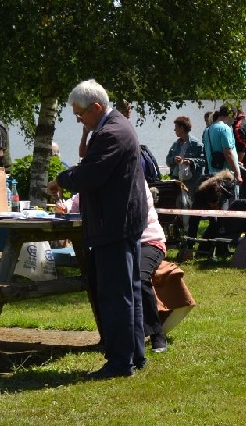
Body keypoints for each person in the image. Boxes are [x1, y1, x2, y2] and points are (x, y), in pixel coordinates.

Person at [47, 79, 149, 379]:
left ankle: (120, 362)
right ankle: (135, 356)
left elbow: (91, 174)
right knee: (127, 291)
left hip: (114, 223)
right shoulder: (115, 126)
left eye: (80, 113)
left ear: (96, 107)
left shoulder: (110, 132)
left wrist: (61, 179)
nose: (78, 119)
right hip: (122, 221)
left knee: (115, 295)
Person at [57, 187, 168, 352]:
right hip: (112, 242)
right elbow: (74, 204)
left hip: (147, 241)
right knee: (94, 277)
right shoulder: (97, 177)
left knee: (139, 278)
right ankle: (108, 336)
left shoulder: (133, 178)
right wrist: (63, 207)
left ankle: (157, 334)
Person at [203, 106, 241, 191]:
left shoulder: (207, 130)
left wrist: (235, 161)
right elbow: (228, 153)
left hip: (213, 174)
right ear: (231, 115)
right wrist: (237, 173)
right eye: (234, 118)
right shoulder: (225, 129)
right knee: (231, 203)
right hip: (227, 176)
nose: (233, 122)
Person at [165, 115, 205, 194]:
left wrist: (191, 161)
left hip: (191, 184)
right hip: (177, 182)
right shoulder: (175, 144)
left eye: (176, 127)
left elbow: (204, 161)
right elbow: (167, 160)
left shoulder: (197, 145)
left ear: (182, 128)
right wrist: (174, 159)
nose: (174, 130)